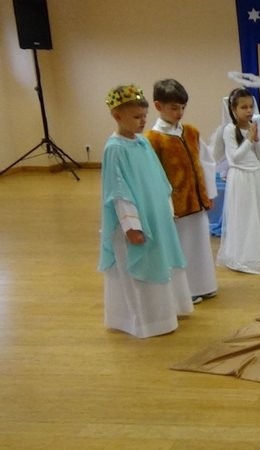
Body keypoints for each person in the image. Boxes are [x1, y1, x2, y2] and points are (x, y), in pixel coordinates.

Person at [98, 84, 192, 338]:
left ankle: (167, 312)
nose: (142, 121)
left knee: (160, 261)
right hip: (135, 224)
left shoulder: (142, 142)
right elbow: (118, 191)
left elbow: (159, 179)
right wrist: (132, 226)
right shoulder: (115, 148)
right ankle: (149, 321)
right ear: (117, 116)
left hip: (155, 217)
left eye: (144, 116)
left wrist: (166, 208)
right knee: (142, 269)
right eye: (136, 117)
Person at [144, 79, 217, 304]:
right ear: (158, 106)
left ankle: (205, 284)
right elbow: (153, 175)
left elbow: (206, 163)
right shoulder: (153, 139)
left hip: (197, 202)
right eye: (174, 108)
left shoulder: (191, 132)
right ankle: (186, 291)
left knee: (200, 246)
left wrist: (208, 193)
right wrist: (163, 205)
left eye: (183, 107)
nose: (180, 113)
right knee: (181, 248)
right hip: (176, 207)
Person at [216, 88, 260, 274]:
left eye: (250, 106)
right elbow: (234, 158)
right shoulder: (229, 130)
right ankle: (243, 256)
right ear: (233, 109)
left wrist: (256, 140)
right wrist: (249, 139)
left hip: (257, 175)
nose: (249, 111)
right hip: (241, 177)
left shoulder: (253, 126)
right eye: (244, 107)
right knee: (244, 216)